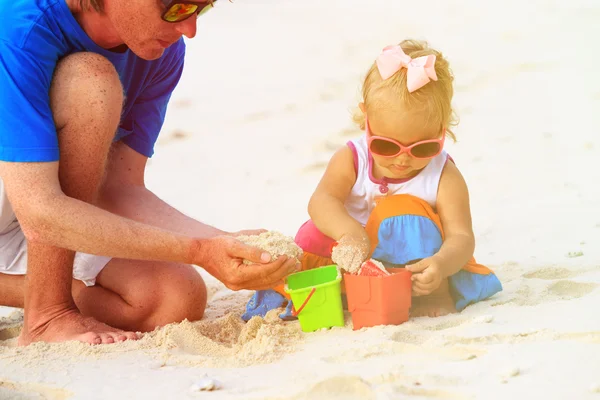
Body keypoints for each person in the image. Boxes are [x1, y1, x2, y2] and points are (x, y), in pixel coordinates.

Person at [0, 0, 300, 346]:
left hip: (37, 206)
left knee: (171, 297)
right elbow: (40, 214)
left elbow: (117, 187)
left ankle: (39, 293)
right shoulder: (20, 28)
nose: (189, 29)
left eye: (201, 8)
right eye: (176, 8)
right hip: (29, 198)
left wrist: (223, 240)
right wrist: (197, 250)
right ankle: (46, 314)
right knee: (91, 81)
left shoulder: (160, 51)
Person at [243, 39, 502, 320]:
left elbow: (462, 237)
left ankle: (431, 295)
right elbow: (322, 200)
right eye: (387, 146)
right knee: (310, 233)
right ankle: (338, 290)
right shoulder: (352, 158)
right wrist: (350, 233)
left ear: (442, 130)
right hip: (352, 254)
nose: (403, 159)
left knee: (404, 215)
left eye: (423, 147)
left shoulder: (444, 175)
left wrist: (440, 264)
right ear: (366, 119)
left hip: (408, 266)